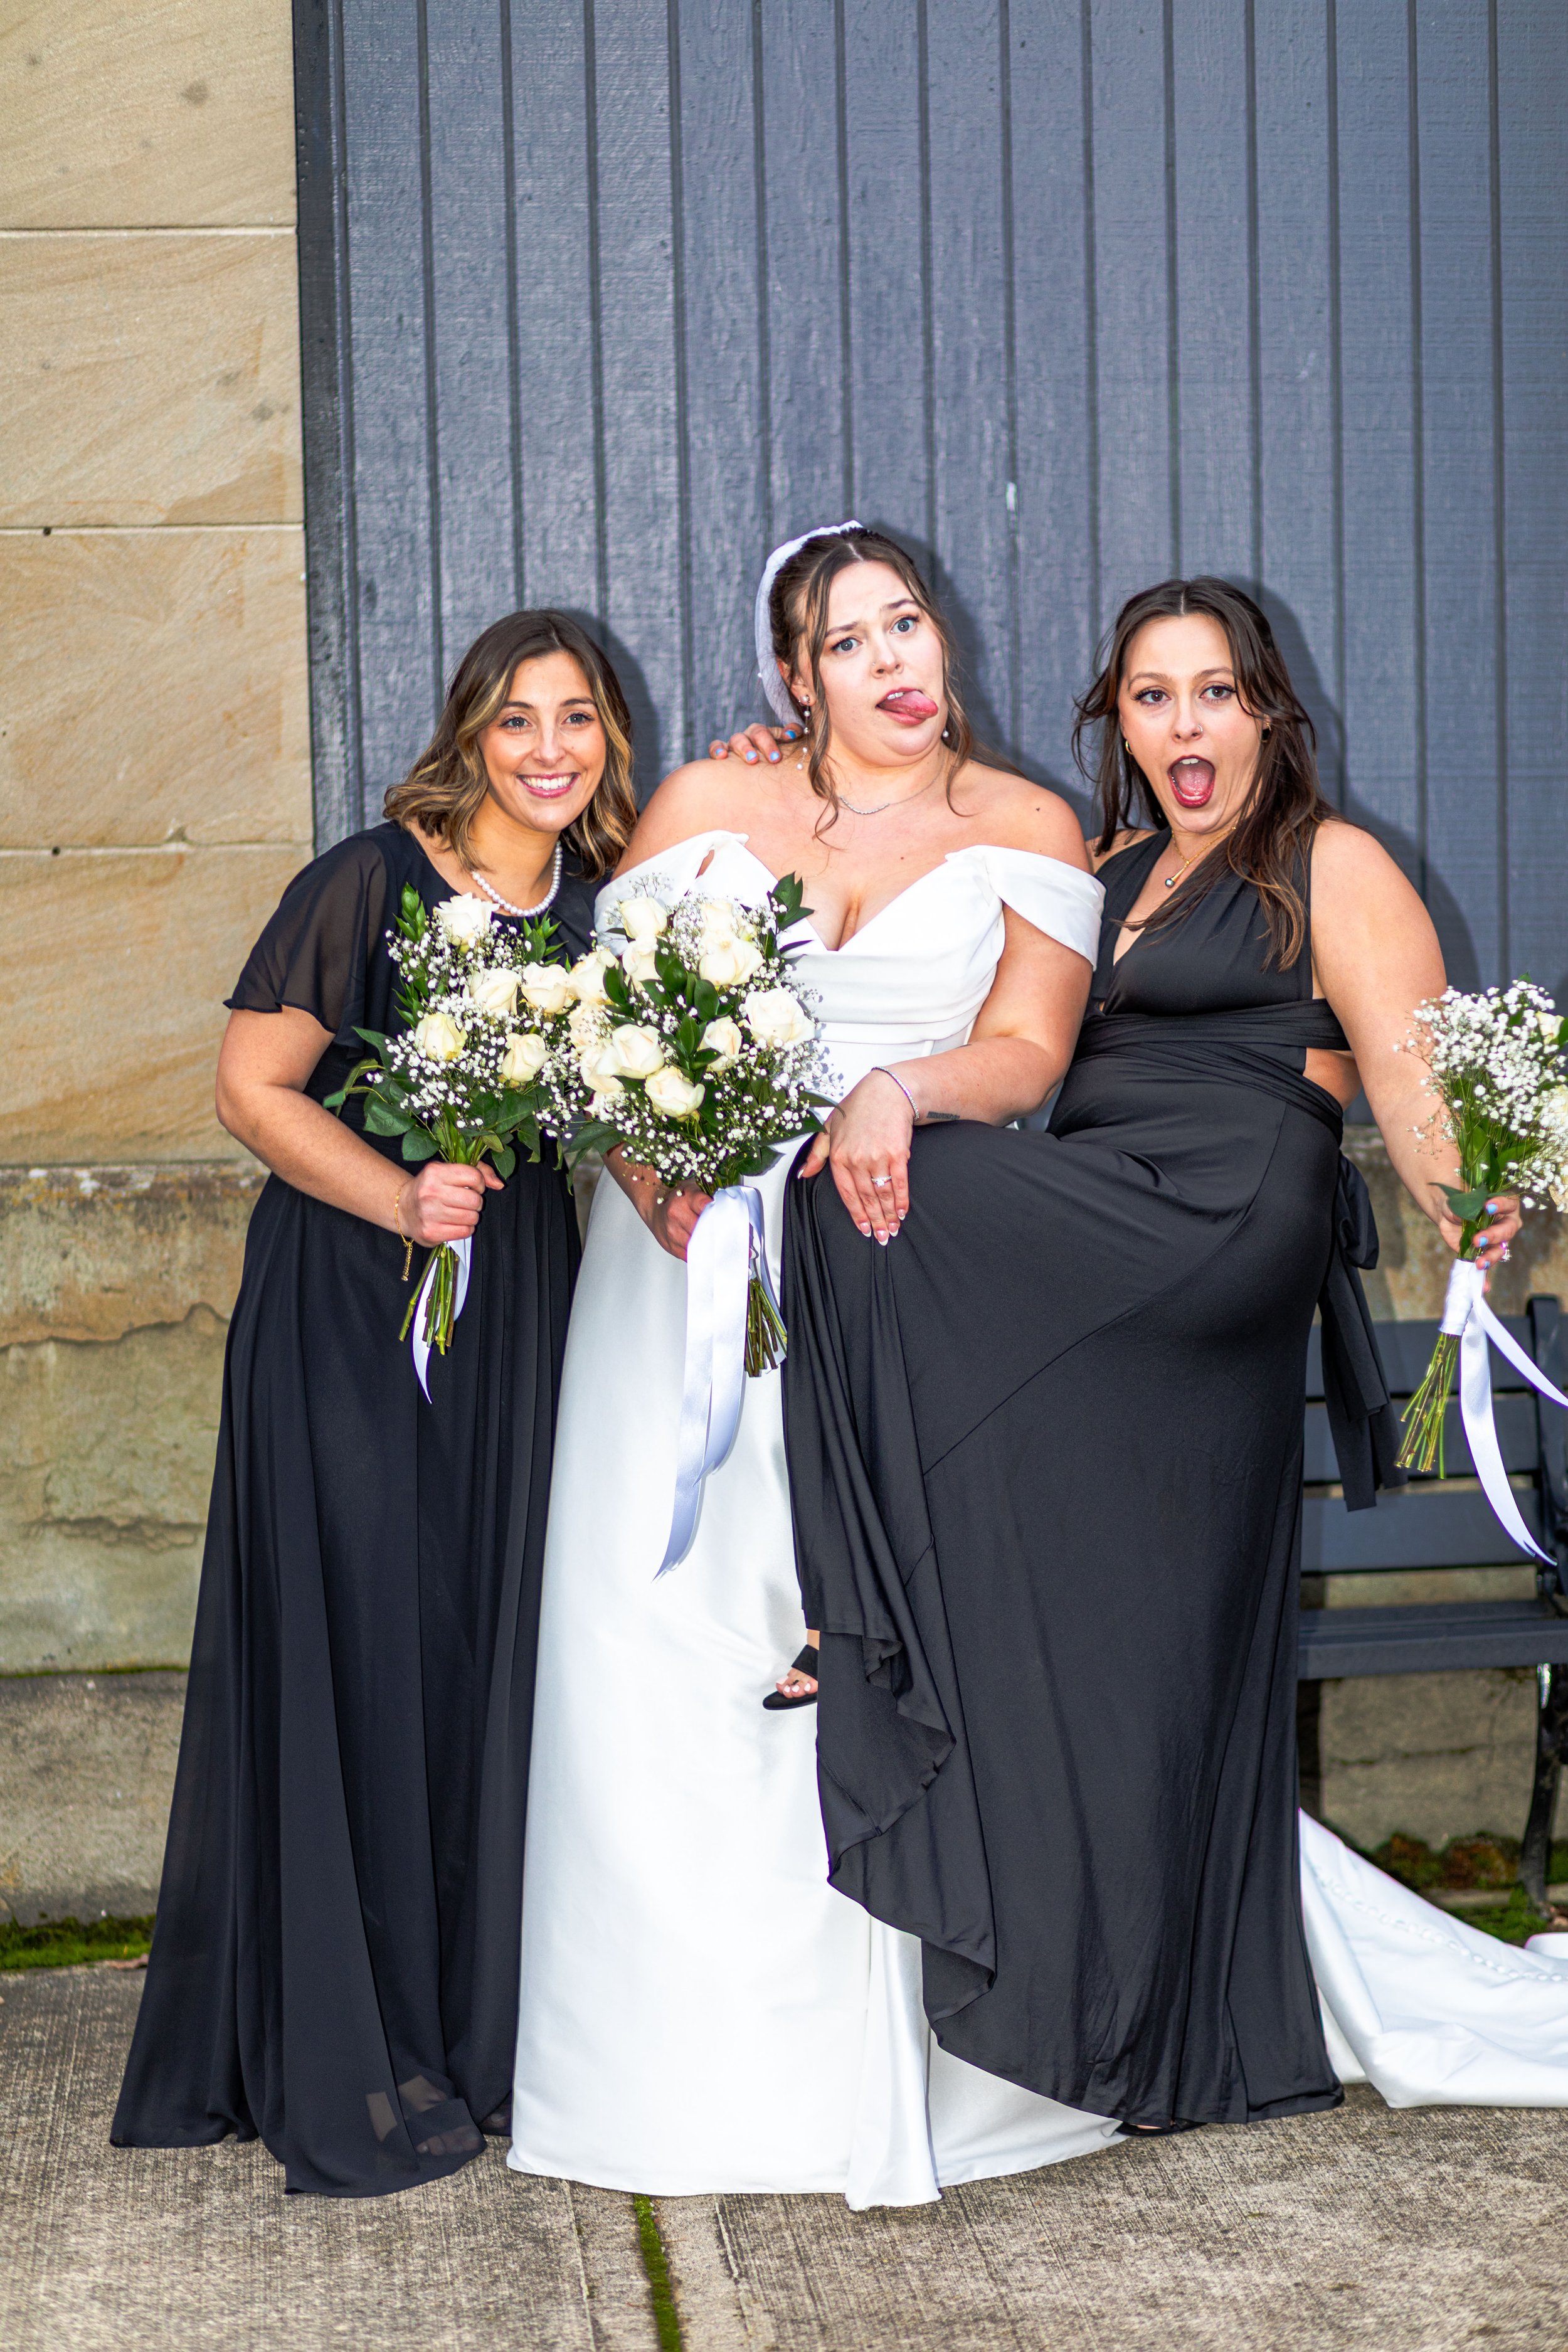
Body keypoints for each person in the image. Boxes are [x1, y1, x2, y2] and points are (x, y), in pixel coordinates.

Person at [781, 576, 1534, 2132]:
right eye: (1149, 697)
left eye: (1212, 693)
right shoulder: (1098, 859)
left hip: (1224, 1214)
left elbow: (1410, 1081)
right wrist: (792, 753)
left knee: (906, 1188)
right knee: (858, 1197)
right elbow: (1014, 1026)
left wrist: (1475, 1196)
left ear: (1266, 710)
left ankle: (866, 1609)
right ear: (1112, 720)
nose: (1182, 725)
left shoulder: (1331, 863)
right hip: (1103, 1218)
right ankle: (899, 1613)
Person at [508, 524, 1125, 2206]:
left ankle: (933, 2062)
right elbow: (608, 1041)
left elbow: (1026, 1050)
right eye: (846, 641)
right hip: (677, 1285)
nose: (890, 662)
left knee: (869, 1637)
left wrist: (890, 1090)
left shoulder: (1026, 827)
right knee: (670, 1640)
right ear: (793, 678)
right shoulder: (704, 813)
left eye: (905, 623)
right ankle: (669, 2070)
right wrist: (667, 1192)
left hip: (897, 1273)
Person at [112, 611, 633, 2196]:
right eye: (518, 722)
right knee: (360, 1636)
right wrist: (401, 1199)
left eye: (580, 721)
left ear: (612, 740)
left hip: (517, 1305)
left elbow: (611, 1124)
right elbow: (251, 1089)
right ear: (468, 733)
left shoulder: (602, 917)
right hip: (352, 1305)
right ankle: (346, 2038)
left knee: (474, 1643)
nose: (549, 751)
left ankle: (462, 2029)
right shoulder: (369, 880)